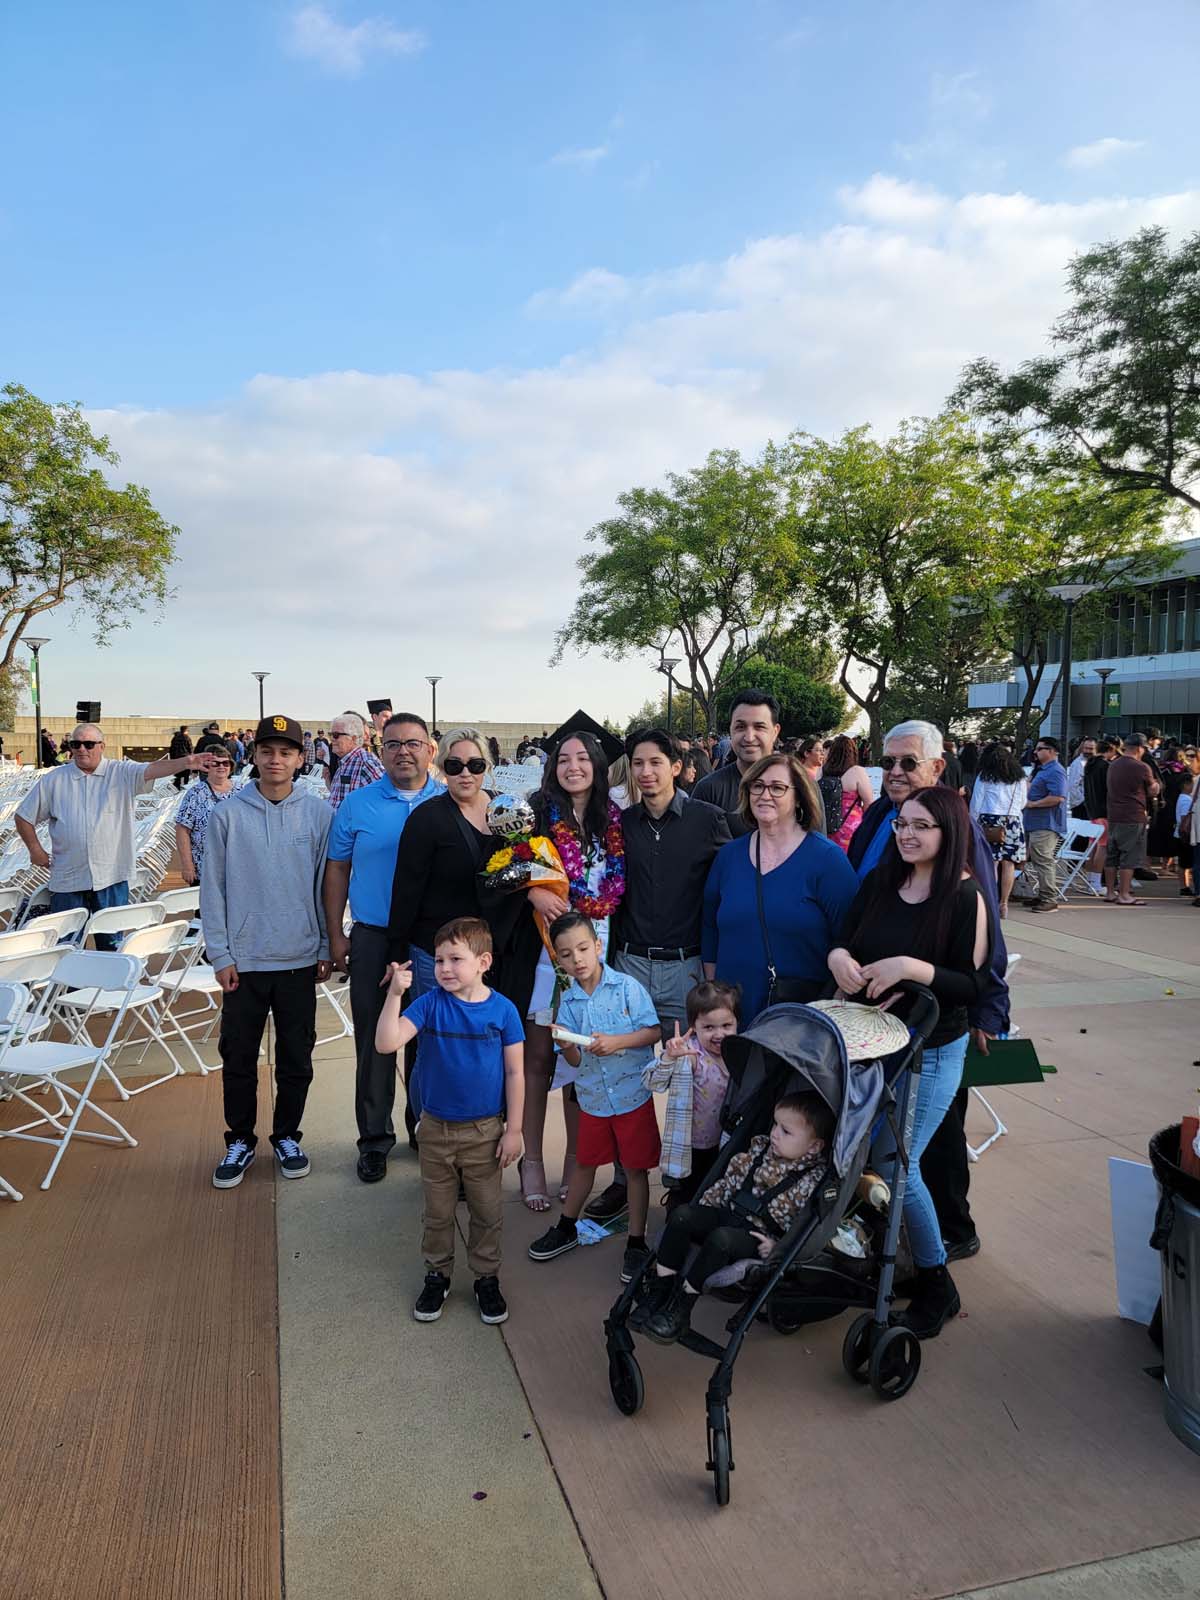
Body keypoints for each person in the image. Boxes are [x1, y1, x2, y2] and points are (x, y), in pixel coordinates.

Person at [830, 784, 990, 1338]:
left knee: (898, 1164)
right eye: (901, 824)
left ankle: (935, 1281)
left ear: (948, 834)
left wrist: (909, 966)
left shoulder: (965, 897)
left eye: (921, 825)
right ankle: (892, 1256)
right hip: (873, 1041)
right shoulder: (881, 881)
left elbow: (972, 985)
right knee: (869, 1154)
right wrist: (841, 960)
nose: (907, 834)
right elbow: (843, 939)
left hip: (933, 1049)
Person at [846, 719, 1009, 1263]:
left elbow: (982, 962)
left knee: (922, 1153)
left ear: (936, 768)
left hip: (933, 1038)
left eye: (907, 763)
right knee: (884, 1152)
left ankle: (940, 1249)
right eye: (887, 762)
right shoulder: (880, 830)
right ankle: (893, 1245)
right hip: (877, 1036)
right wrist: (842, 959)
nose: (894, 771)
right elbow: (850, 926)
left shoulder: (964, 879)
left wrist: (988, 1012)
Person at [586, 730, 730, 1225]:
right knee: (626, 1080)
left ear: (676, 765)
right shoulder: (619, 825)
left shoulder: (708, 821)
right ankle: (627, 1182)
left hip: (687, 968)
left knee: (695, 1080)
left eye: (655, 762)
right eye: (638, 764)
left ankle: (689, 1186)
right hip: (630, 966)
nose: (646, 772)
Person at [202, 715, 333, 1190]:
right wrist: (220, 953)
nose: (276, 760)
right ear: (253, 756)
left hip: (298, 957)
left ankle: (286, 1135)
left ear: (301, 759)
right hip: (245, 960)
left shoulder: (318, 814)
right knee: (238, 1056)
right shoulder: (228, 815)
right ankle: (239, 1138)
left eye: (286, 752)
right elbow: (212, 889)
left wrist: (323, 943)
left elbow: (326, 887)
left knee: (297, 1055)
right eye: (267, 751)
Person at [376, 917, 525, 1326]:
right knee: (438, 1212)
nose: (443, 967)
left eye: (455, 959)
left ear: (483, 962)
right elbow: (386, 1042)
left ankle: (486, 1277)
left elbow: (515, 1073)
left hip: (485, 1132)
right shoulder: (429, 1005)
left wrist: (514, 1130)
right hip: (436, 1130)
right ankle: (437, 1274)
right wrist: (394, 995)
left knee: (486, 1210)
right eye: (439, 959)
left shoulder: (503, 1011)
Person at [325, 712, 443, 1182]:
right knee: (376, 1042)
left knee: (428, 1040)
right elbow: (336, 869)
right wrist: (336, 933)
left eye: (413, 743)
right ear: (380, 751)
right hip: (374, 935)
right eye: (392, 744)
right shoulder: (357, 805)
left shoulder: (451, 798)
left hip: (433, 940)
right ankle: (374, 1138)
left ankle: (423, 1127)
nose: (403, 752)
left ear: (430, 750)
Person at [515, 729, 625, 1214]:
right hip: (546, 951)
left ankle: (578, 1162)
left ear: (598, 766)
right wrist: (531, 890)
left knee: (583, 1060)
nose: (574, 766)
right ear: (553, 766)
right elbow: (498, 868)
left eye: (583, 758)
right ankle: (532, 1160)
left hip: (602, 948)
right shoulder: (535, 813)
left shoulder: (615, 818)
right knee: (539, 1060)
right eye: (564, 758)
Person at [527, 913, 662, 1285]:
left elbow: (652, 1032)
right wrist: (565, 1045)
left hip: (632, 1096)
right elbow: (573, 1061)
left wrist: (617, 1042)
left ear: (598, 946)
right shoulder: (567, 1004)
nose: (578, 959)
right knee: (585, 1164)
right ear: (558, 960)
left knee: (635, 1169)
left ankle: (636, 1240)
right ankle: (567, 1226)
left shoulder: (627, 988)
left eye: (584, 949)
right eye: (567, 954)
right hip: (593, 1100)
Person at [638, 1091, 832, 1345]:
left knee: (721, 1239)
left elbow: (802, 1226)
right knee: (682, 1215)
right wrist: (702, 1210)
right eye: (775, 1124)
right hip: (727, 1212)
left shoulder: (812, 1179)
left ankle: (681, 1307)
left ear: (814, 1145)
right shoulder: (759, 1148)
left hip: (757, 1236)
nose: (774, 1133)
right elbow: (727, 1183)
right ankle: (661, 1290)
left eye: (786, 1131)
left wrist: (779, 1247)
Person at [15, 723, 215, 943]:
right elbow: (24, 816)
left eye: (89, 744)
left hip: (111, 877)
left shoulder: (121, 772)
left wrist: (186, 762)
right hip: (68, 877)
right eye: (76, 744)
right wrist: (35, 849)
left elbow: (151, 769)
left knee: (111, 943)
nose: (82, 749)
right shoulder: (54, 780)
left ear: (102, 746)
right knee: (65, 944)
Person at [388, 728, 497, 1121]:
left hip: (489, 953)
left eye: (475, 765)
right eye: (454, 765)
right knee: (436, 1046)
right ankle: (428, 1129)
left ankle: (476, 1130)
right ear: (441, 768)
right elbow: (405, 890)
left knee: (481, 1044)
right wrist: (397, 953)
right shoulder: (427, 819)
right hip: (438, 956)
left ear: (487, 767)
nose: (465, 773)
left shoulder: (504, 809)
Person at [702, 750, 857, 1020]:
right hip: (732, 1015)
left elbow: (852, 936)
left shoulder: (827, 860)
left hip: (798, 1019)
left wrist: (832, 1012)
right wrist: (714, 996)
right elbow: (709, 928)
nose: (764, 795)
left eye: (777, 787)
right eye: (757, 786)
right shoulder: (729, 856)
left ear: (798, 796)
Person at [653, 979, 739, 1209]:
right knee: (686, 1195)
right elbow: (653, 1081)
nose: (719, 1034)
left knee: (715, 1191)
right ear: (694, 1026)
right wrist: (670, 1057)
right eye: (709, 1027)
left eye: (726, 1025)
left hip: (724, 1142)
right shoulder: (692, 1054)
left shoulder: (741, 1053)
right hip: (691, 1145)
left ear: (737, 1022)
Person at [693, 689, 812, 838]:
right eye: (740, 727)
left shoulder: (801, 784)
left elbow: (817, 850)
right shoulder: (708, 790)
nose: (749, 737)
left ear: (775, 731)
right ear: (730, 730)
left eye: (759, 727)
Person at [968, 742, 1028, 918]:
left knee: (991, 862)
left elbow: (976, 803)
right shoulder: (1020, 777)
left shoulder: (984, 776)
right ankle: (1004, 903)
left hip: (989, 820)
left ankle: (991, 900)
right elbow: (1023, 802)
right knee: (1008, 864)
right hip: (1013, 821)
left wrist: (973, 822)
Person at [1104, 732, 1160, 906]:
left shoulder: (1113, 764)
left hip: (1114, 815)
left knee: (1112, 855)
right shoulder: (1141, 767)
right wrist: (1157, 786)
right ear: (1139, 748)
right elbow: (1152, 790)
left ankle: (1110, 892)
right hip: (1133, 815)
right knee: (1129, 856)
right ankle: (1125, 894)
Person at [175, 745, 236, 884]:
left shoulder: (243, 791)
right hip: (204, 868)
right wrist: (187, 865)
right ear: (207, 766)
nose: (221, 766)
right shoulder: (195, 794)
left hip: (238, 869)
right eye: (216, 763)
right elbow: (182, 830)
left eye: (225, 763)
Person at [1020, 735, 1068, 913]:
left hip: (1046, 823)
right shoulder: (1043, 769)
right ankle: (1043, 895)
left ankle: (1049, 899)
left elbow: (1057, 797)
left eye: (1040, 749)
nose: (1036, 751)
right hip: (1035, 822)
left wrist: (1033, 804)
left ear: (1052, 751)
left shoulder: (1055, 770)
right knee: (1038, 860)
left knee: (1043, 860)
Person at [823, 734, 874, 852]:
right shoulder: (857, 771)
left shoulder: (822, 771)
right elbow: (869, 803)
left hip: (825, 826)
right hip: (850, 826)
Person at [326, 711, 385, 810]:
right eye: (330, 734)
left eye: (336, 735)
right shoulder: (345, 762)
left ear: (353, 738)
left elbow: (385, 799)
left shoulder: (366, 763)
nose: (332, 739)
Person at [1084, 736, 1119, 894]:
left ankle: (1090, 881)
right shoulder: (1106, 766)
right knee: (1102, 847)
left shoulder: (1089, 765)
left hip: (1092, 810)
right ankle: (1096, 882)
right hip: (1104, 811)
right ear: (1110, 750)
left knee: (1092, 846)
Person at [1067, 737, 1097, 822]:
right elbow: (1073, 786)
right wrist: (1083, 802)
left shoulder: (1094, 762)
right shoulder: (1077, 764)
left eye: (1091, 749)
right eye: (1085, 748)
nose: (1087, 751)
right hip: (1082, 806)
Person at [1175, 774, 1195, 896]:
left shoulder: (1181, 798)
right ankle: (1184, 886)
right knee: (1185, 863)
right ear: (1185, 785)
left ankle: (1184, 886)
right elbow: (1184, 818)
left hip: (1179, 834)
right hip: (1185, 836)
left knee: (1184, 863)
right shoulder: (1186, 800)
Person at [169, 724, 194, 790]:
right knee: (186, 773)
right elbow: (190, 748)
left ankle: (177, 785)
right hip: (185, 757)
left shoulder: (175, 738)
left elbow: (171, 749)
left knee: (178, 773)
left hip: (177, 757)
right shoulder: (187, 738)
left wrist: (172, 758)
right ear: (186, 730)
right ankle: (186, 785)